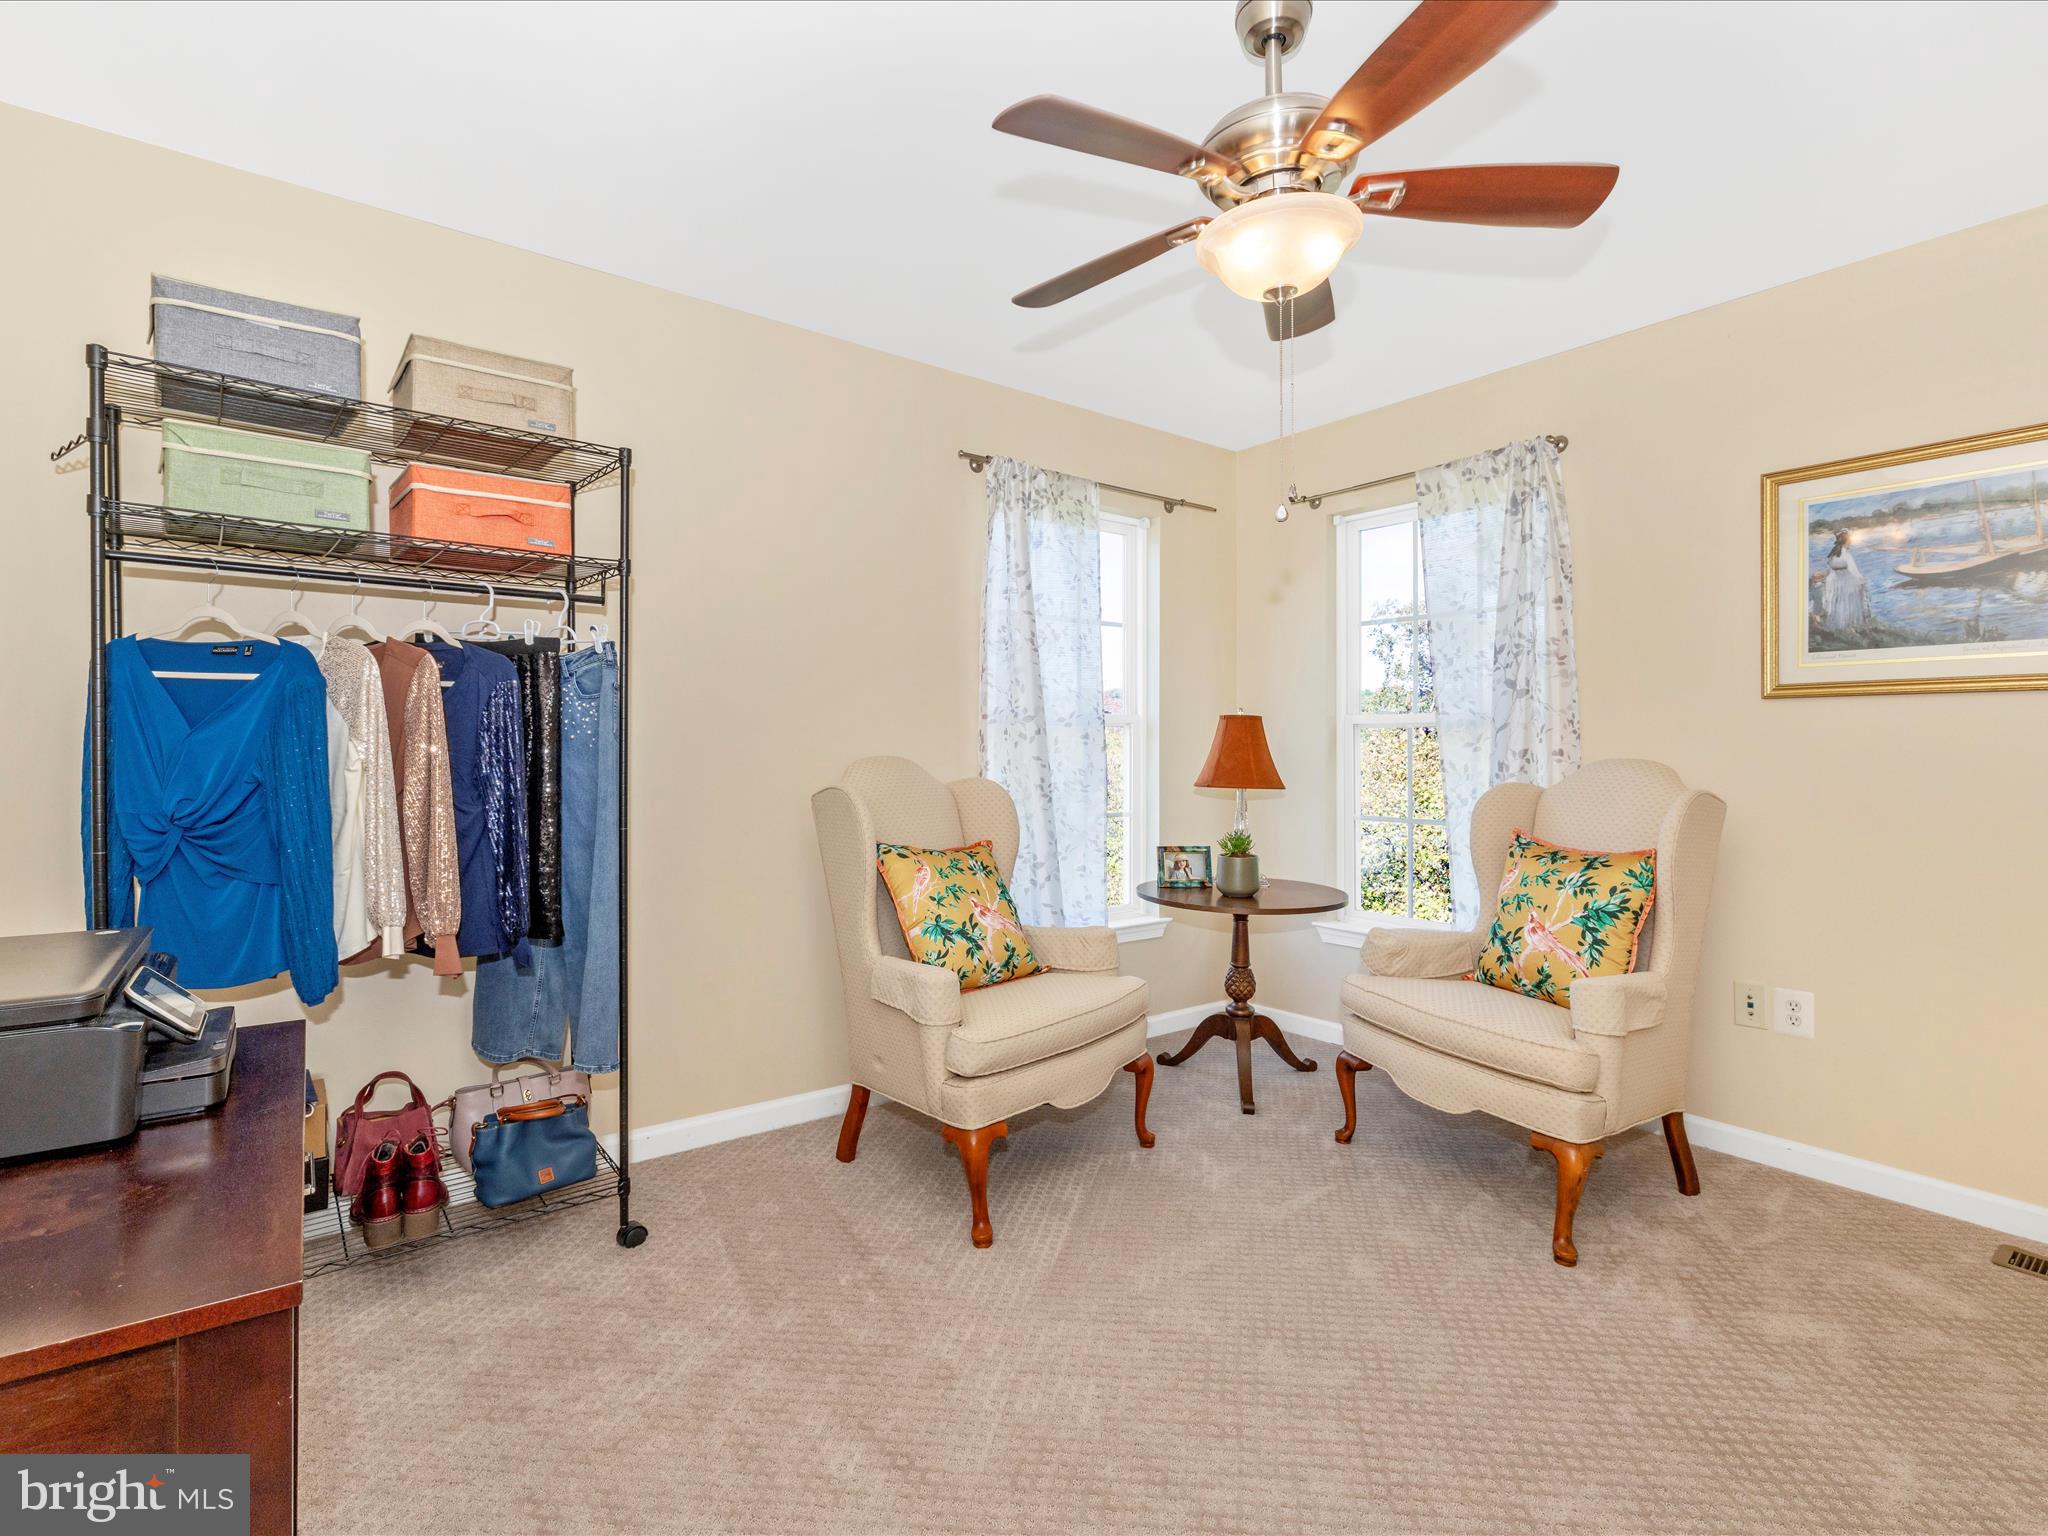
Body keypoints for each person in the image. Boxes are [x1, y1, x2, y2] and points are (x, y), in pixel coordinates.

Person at [1813, 530, 1870, 634]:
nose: (1851, 542)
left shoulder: (1833, 555)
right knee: (1846, 604)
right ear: (1846, 541)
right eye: (1850, 540)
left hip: (1834, 582)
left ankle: (1837, 626)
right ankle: (1846, 627)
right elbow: (1854, 572)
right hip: (1845, 583)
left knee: (1837, 604)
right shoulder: (1847, 556)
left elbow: (1830, 569)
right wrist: (1862, 581)